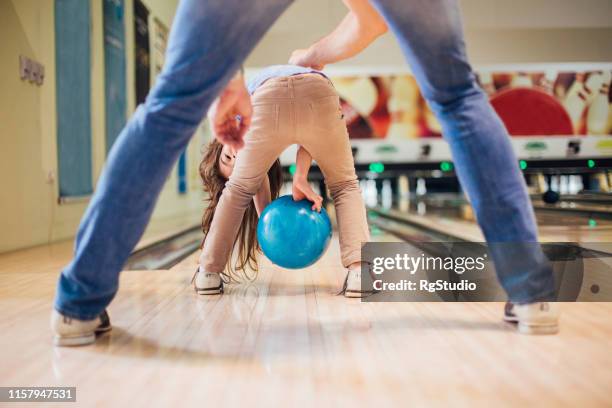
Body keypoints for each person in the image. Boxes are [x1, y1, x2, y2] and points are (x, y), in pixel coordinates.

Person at [52, 0, 558, 346]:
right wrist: (313, 60)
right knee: (452, 101)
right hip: (319, 95)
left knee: (172, 106)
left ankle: (87, 301)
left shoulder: (256, 93)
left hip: (265, 98)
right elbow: (371, 20)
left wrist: (228, 79)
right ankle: (527, 293)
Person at [194, 65, 370, 297]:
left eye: (228, 156)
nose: (237, 159)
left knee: (236, 189)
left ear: (220, 143)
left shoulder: (231, 121)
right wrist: (299, 177)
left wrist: (299, 176)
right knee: (345, 185)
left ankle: (208, 272)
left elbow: (247, 184)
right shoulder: (241, 123)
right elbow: (306, 133)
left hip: (267, 98)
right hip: (317, 92)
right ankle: (360, 272)